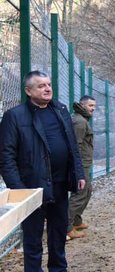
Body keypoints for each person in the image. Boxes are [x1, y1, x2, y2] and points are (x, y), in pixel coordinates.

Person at [0, 71, 86, 272]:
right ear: (28, 91)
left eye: (48, 84)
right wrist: (20, 191)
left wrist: (79, 173)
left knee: (58, 235)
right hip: (31, 189)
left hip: (60, 185)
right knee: (33, 240)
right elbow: (5, 158)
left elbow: (72, 145)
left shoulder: (61, 110)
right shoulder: (14, 116)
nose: (47, 89)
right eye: (41, 86)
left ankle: (58, 269)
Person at [66, 95, 97, 240]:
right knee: (80, 194)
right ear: (82, 105)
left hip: (85, 163)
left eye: (94, 106)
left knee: (87, 191)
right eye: (90, 106)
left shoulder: (83, 120)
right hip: (81, 164)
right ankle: (67, 227)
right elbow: (75, 146)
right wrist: (77, 167)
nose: (93, 109)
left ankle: (76, 221)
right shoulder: (79, 122)